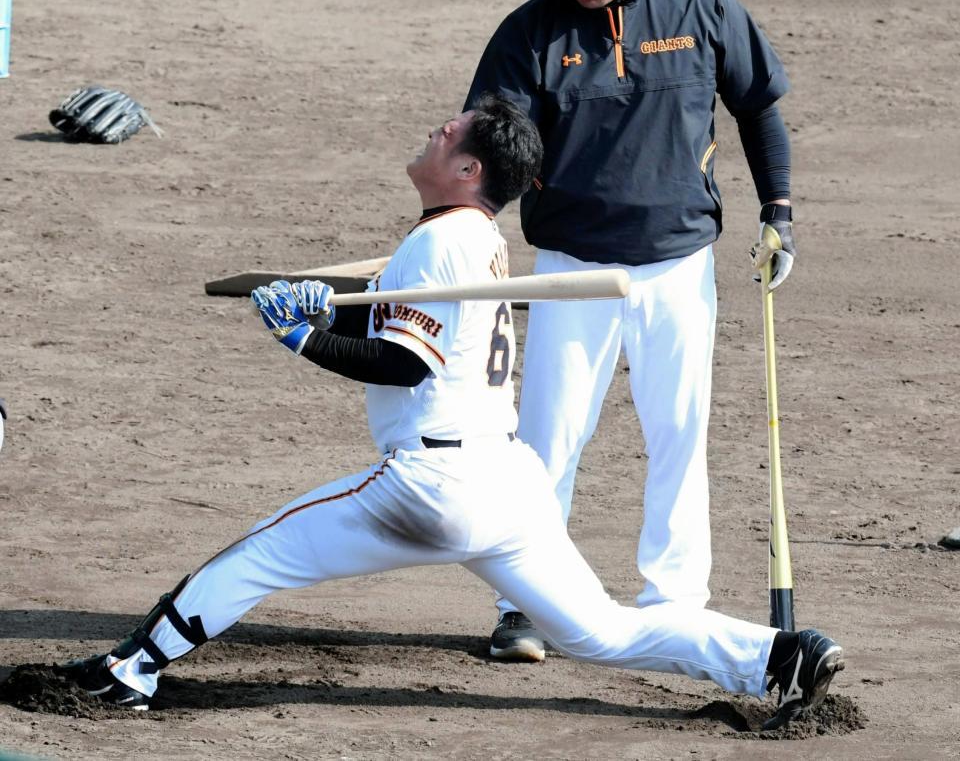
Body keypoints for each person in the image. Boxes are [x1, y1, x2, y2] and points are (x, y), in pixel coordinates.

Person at [61, 95, 840, 730]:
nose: (435, 128)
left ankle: (129, 670)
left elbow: (407, 361)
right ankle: (778, 656)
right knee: (602, 631)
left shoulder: (441, 245)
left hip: (434, 484)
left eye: (449, 132)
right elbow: (411, 333)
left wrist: (303, 336)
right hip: (507, 483)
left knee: (259, 553)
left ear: (468, 167)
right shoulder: (471, 237)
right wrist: (321, 316)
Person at [465, 0, 797, 662]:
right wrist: (466, 232)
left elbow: (758, 106)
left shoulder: (703, 7)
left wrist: (778, 210)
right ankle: (525, 601)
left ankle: (676, 599)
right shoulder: (526, 32)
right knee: (546, 439)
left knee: (680, 431)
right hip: (572, 267)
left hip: (678, 263)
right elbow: (492, 145)